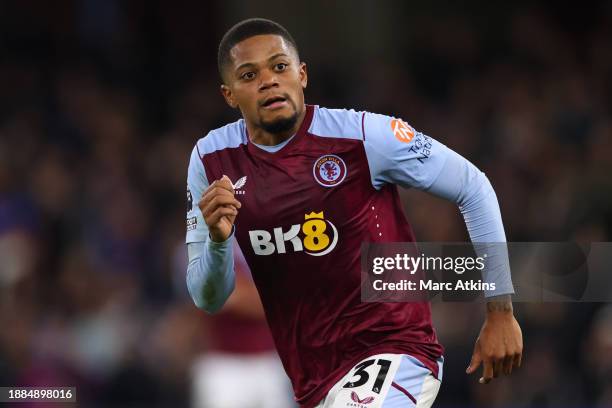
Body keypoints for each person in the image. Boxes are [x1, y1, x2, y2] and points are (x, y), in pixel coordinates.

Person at [185, 18, 523, 408]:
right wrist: (217, 239)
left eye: (279, 67)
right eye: (249, 74)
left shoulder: (362, 136)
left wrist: (500, 310)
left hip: (394, 348)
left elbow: (473, 186)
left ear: (302, 74)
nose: (268, 81)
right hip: (313, 377)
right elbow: (207, 297)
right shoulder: (211, 160)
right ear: (229, 95)